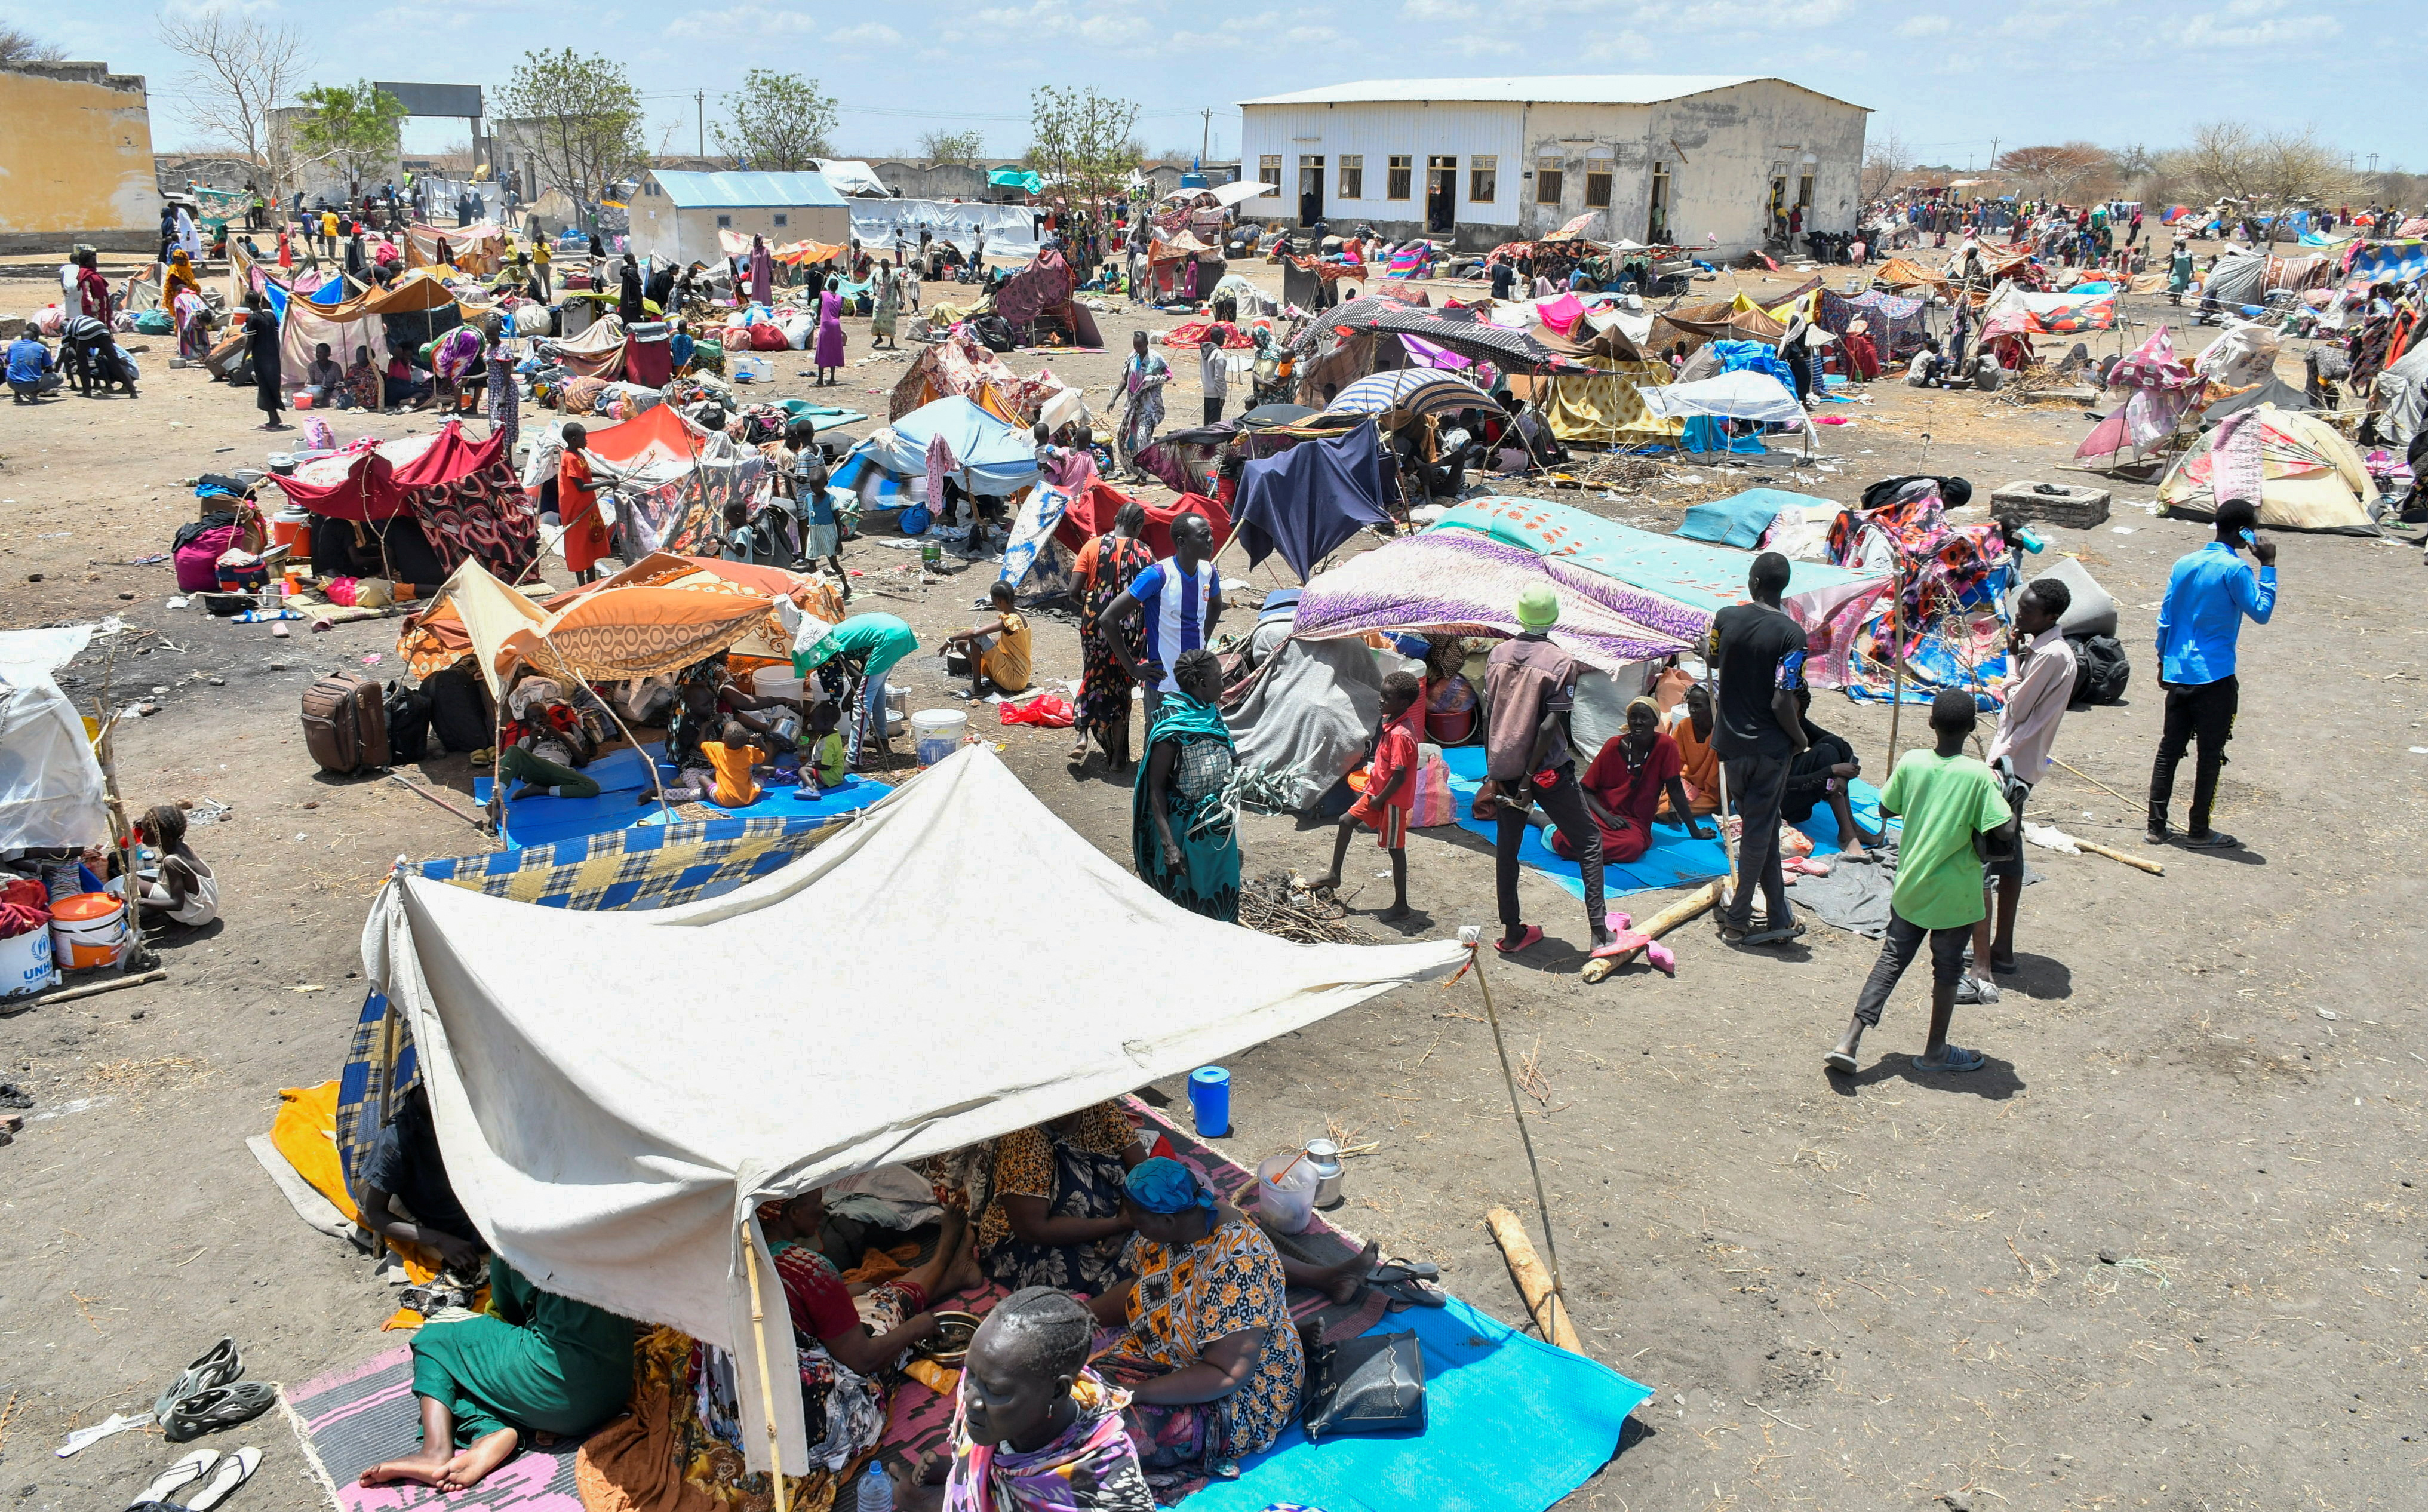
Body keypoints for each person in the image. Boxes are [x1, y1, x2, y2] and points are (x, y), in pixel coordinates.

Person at [1825, 690, 2018, 1076]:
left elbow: (1884, 807)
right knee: (1946, 972)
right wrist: (2009, 797)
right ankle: (1935, 1051)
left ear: (1930, 723)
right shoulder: (1979, 776)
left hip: (1911, 887)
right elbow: (2005, 829)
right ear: (1969, 728)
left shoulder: (1913, 763)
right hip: (1956, 898)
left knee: (1891, 962)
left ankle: (1850, 1039)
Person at [1087, 1159, 1304, 1483]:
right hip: (1158, 1354)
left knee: (1111, 1441)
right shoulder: (1166, 1231)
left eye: (1136, 1219)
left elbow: (1227, 1374)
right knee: (1080, 1393)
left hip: (1235, 1395)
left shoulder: (1239, 1262)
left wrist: (1140, 1392)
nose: (1131, 1225)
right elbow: (1140, 1287)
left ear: (1169, 1220)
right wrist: (1083, 1316)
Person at [358, 1256, 633, 1492]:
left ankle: (436, 1450)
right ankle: (490, 1431)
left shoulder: (512, 1237)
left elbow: (511, 1311)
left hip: (560, 1398)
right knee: (475, 1363)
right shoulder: (601, 1230)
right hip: (615, 1388)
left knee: (439, 1333)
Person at [902, 1287, 1156, 1512]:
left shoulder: (1104, 1489)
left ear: (1057, 1392)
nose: (970, 1398)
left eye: (995, 1390)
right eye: (971, 1374)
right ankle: (975, 1479)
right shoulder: (1005, 1401)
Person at [1476, 586, 1619, 959]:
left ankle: (1512, 934)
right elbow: (1545, 728)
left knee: (1507, 849)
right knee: (1589, 841)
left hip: (1504, 768)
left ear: (1519, 616)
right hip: (1545, 772)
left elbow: (1491, 716)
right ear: (1554, 618)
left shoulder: (1498, 654)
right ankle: (1600, 934)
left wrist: (1496, 771)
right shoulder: (1560, 662)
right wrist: (1527, 780)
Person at [1964, 576, 2076, 996]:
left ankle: (1982, 964)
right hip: (2021, 763)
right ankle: (2004, 949)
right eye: (2020, 607)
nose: (2019, 616)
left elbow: (2017, 705)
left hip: (2011, 766)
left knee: (1986, 862)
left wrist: (2011, 666)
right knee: (2009, 857)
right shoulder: (2047, 650)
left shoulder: (2050, 655)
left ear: (2050, 617)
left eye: (2028, 611)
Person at [2147, 497, 2275, 848]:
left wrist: (2163, 660)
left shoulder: (2184, 563)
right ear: (2243, 530)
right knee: (2210, 755)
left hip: (2179, 671)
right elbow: (2261, 613)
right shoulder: (2236, 571)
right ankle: (2199, 829)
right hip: (2216, 676)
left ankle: (2156, 826)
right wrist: (2269, 565)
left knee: (2169, 751)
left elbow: (2166, 617)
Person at [1709, 552, 1811, 947]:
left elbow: (1714, 657)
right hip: (1770, 750)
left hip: (1731, 747)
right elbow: (1783, 700)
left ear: (1752, 581)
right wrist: (1800, 739)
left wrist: (1708, 646)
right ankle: (1738, 918)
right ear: (1783, 588)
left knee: (1762, 830)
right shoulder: (1792, 635)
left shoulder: (1725, 618)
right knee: (1757, 832)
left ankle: (1779, 916)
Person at [973, 1101, 1150, 1296]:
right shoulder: (1023, 1138)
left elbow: (1141, 1169)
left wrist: (1121, 1230)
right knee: (1142, 1274)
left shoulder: (1100, 1107)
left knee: (1164, 1239)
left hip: (1109, 1221)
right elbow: (1033, 1229)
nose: (1056, 1114)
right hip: (1027, 1247)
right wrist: (1120, 1224)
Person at [1541, 696, 1714, 865]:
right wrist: (1607, 817)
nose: (1638, 722)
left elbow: (1675, 789)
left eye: (1644, 717)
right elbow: (1585, 789)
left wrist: (1695, 831)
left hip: (1634, 822)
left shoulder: (1665, 746)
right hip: (1601, 813)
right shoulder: (1613, 746)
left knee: (1632, 847)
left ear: (1655, 722)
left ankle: (1561, 834)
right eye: (1634, 717)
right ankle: (1548, 827)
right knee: (1572, 837)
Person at [1133, 648, 1240, 922]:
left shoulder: (1209, 711)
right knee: (1184, 910)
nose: (1224, 683)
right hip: (1185, 830)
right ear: (1201, 684)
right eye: (1219, 678)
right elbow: (1155, 786)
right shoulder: (1174, 725)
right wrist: (1169, 845)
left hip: (1216, 824)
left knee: (1219, 902)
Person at [1314, 671, 1423, 918]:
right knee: (1346, 820)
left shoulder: (1401, 735)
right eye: (1382, 694)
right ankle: (1334, 875)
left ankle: (1401, 906)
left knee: (1396, 849)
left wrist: (1380, 800)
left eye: (1387, 697)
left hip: (1391, 800)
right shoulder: (1391, 724)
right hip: (1376, 792)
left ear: (1403, 704)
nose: (1381, 700)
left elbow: (1400, 776)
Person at [1100, 511, 1221, 732]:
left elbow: (1215, 605)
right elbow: (1108, 618)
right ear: (1182, 543)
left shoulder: (1209, 572)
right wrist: (1133, 669)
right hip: (1165, 685)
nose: (1211, 540)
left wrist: (1203, 640)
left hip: (1198, 682)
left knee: (1194, 745)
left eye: (1210, 534)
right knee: (1160, 747)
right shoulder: (1157, 576)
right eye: (1204, 536)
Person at [359, 1084, 483, 1275]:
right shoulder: (396, 1141)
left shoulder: (465, 1114)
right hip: (457, 1224)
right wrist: (440, 1240)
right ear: (427, 1094)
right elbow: (374, 1214)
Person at [1071, 500, 1155, 770]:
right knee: (1121, 687)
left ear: (1116, 518)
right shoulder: (1145, 553)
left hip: (1094, 625)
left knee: (1093, 677)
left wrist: (1089, 606)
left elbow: (1074, 591)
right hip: (1129, 629)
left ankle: (1083, 733)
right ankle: (1118, 757)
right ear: (1138, 526)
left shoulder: (1091, 546)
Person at [798, 613, 919, 769]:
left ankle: (854, 760)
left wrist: (850, 697)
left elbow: (857, 676)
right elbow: (865, 665)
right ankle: (881, 739)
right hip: (899, 631)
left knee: (861, 700)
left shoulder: (830, 648)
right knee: (876, 690)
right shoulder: (833, 635)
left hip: (888, 638)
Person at [1779, 687, 1886, 862]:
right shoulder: (1766, 733)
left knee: (1831, 744)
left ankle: (1852, 828)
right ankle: (1848, 834)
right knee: (1826, 754)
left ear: (1798, 715)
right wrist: (1831, 771)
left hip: (1797, 800)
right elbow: (1776, 784)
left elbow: (1844, 747)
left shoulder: (1798, 724)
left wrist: (1841, 777)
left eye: (1790, 711)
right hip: (1773, 804)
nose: (1783, 714)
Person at [496, 674, 601, 801]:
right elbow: (518, 776)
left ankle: (542, 790)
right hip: (536, 771)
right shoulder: (526, 741)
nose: (539, 721)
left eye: (542, 716)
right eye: (533, 719)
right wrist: (532, 743)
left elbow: (583, 763)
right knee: (513, 750)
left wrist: (562, 737)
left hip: (559, 771)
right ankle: (497, 797)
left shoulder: (566, 736)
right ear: (528, 725)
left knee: (592, 787)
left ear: (549, 718)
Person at [123, 803, 219, 927]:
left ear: (156, 834)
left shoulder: (172, 862)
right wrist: (145, 822)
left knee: (132, 883)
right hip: (206, 905)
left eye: (145, 831)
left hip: (199, 914)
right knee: (133, 879)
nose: (141, 834)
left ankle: (179, 922)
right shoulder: (179, 845)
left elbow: (177, 904)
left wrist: (136, 900)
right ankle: (163, 912)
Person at [782, 416, 846, 587]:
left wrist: (788, 474)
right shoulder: (818, 449)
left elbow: (802, 479)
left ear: (798, 436)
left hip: (806, 495)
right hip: (819, 492)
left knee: (804, 527)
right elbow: (822, 471)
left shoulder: (803, 454)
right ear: (813, 433)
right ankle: (811, 559)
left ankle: (806, 557)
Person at [945, 579, 1032, 697]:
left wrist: (950, 639)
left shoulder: (1010, 621)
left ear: (998, 601)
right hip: (1022, 678)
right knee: (961, 643)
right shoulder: (1020, 618)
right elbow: (1006, 643)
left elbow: (976, 633)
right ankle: (987, 676)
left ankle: (976, 687)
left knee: (976, 637)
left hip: (1013, 679)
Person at [555, 423, 613, 585]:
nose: (586, 441)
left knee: (589, 542)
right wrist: (605, 484)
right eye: (584, 438)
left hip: (587, 506)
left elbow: (585, 473)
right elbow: (580, 486)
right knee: (579, 546)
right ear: (574, 440)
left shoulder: (578, 454)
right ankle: (582, 585)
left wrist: (604, 475)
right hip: (577, 509)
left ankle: (592, 581)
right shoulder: (569, 458)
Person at [1658, 682, 1723, 820]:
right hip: (1686, 785)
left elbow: (1720, 781)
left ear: (1715, 706)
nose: (1692, 710)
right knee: (1656, 800)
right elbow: (1674, 763)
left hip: (1710, 794)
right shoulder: (1684, 726)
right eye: (1690, 706)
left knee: (1666, 809)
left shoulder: (1722, 732)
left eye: (1698, 706)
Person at [1114, 331, 1170, 481]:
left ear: (1146, 343)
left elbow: (1168, 375)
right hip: (1133, 405)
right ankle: (1137, 469)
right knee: (1128, 438)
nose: (1137, 348)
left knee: (1142, 436)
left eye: (1140, 345)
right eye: (1135, 345)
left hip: (1149, 405)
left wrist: (1152, 381)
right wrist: (1114, 399)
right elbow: (1125, 379)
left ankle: (1144, 473)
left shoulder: (1156, 359)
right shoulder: (1132, 357)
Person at [244, 293, 286, 431]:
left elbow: (250, 341)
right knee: (273, 386)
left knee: (265, 387)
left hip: (262, 358)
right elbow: (277, 336)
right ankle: (274, 418)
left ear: (248, 302)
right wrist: (279, 354)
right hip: (274, 356)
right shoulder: (271, 315)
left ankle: (274, 420)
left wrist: (243, 359)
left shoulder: (252, 318)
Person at [7, 330, 60, 402]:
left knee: (16, 368)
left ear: (21, 338)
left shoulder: (13, 345)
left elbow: (7, 361)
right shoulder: (41, 347)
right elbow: (48, 367)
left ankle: (17, 396)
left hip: (11, 383)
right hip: (31, 384)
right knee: (60, 378)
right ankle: (34, 392)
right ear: (35, 339)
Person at [814, 276, 846, 385]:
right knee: (834, 350)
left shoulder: (823, 294)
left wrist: (818, 317)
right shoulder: (840, 298)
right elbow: (839, 314)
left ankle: (820, 380)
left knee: (823, 350)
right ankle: (832, 379)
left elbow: (818, 311)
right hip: (836, 325)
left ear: (828, 286)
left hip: (826, 324)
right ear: (837, 288)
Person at [1197, 321, 1228, 425]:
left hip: (1207, 390)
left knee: (1207, 422)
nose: (1224, 340)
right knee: (1214, 423)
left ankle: (1204, 439)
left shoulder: (1204, 351)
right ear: (1219, 337)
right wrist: (1222, 395)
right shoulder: (1219, 354)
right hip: (1215, 393)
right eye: (1224, 338)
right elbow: (1219, 377)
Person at [301, 342, 342, 407]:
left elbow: (340, 383)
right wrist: (318, 389)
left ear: (328, 354)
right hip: (317, 393)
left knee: (338, 394)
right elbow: (308, 384)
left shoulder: (335, 367)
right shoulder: (312, 366)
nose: (318, 355)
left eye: (321, 353)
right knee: (314, 392)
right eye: (317, 352)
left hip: (331, 392)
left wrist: (331, 388)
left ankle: (328, 402)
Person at [872, 260, 900, 349]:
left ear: (888, 265)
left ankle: (892, 342)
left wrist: (902, 301)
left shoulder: (894, 275)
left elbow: (899, 288)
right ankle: (879, 338)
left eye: (886, 267)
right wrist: (874, 290)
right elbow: (873, 279)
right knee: (875, 319)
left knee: (891, 322)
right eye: (883, 267)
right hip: (879, 301)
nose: (884, 269)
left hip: (890, 303)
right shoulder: (878, 273)